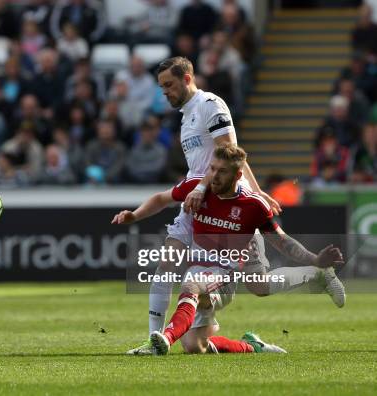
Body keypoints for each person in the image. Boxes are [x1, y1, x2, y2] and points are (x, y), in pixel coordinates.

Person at [126, 57, 344, 355]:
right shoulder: (186, 115)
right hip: (198, 203)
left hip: (226, 204)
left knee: (259, 285)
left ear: (187, 78)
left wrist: (245, 192)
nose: (165, 92)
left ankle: (316, 273)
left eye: (169, 85)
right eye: (162, 86)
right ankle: (155, 340)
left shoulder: (210, 105)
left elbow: (229, 151)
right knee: (166, 265)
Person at [112, 145, 345, 355]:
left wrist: (315, 259)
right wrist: (134, 215)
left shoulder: (253, 205)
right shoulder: (198, 188)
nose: (214, 175)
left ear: (238, 176)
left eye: (222, 171)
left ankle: (162, 342)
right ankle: (252, 346)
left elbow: (282, 242)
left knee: (200, 286)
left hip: (226, 273)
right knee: (195, 346)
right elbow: (161, 198)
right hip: (199, 268)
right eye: (212, 168)